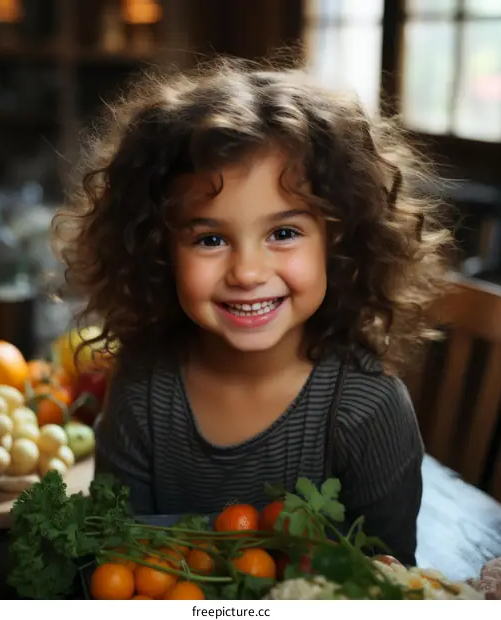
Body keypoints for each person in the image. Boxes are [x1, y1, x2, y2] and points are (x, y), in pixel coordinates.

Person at [53, 58, 451, 567]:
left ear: (338, 241)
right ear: (159, 250)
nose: (247, 271)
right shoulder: (142, 386)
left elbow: (390, 584)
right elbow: (118, 564)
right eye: (211, 238)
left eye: (283, 233)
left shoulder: (368, 411)